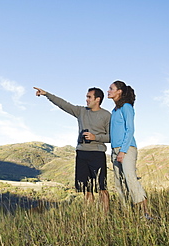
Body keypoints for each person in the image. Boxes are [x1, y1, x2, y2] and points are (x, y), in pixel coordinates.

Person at [34, 86, 111, 213]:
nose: (86, 99)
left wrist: (95, 137)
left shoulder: (106, 115)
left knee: (102, 188)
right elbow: (63, 104)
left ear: (97, 99)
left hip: (97, 154)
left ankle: (105, 216)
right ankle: (90, 218)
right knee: (86, 189)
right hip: (81, 153)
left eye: (89, 97)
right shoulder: (81, 111)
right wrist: (46, 94)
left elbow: (111, 137)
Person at [107, 80, 150, 217]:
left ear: (119, 91)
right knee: (119, 183)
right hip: (115, 150)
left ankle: (146, 213)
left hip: (127, 149)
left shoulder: (127, 107)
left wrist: (123, 151)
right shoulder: (114, 111)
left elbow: (130, 129)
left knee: (130, 179)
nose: (108, 91)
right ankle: (127, 213)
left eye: (111, 88)